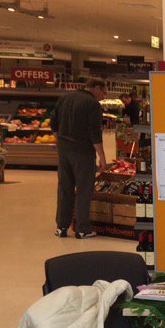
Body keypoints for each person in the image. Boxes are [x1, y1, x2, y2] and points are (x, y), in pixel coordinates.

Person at [51, 78, 108, 239]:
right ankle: (82, 229)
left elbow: (53, 123)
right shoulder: (92, 104)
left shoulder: (65, 98)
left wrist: (60, 141)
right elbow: (95, 134)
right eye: (103, 92)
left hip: (64, 150)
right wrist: (102, 157)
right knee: (84, 189)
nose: (103, 97)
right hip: (83, 152)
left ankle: (61, 227)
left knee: (64, 188)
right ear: (96, 88)